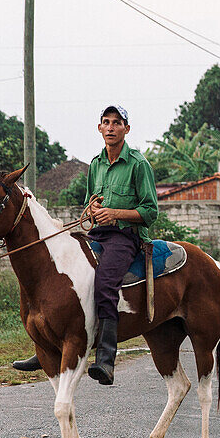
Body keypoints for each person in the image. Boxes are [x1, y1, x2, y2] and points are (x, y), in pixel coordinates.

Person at [12, 105, 159, 385]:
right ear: (100, 128)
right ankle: (47, 345)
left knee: (104, 283)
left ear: (126, 129)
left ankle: (105, 357)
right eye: (106, 122)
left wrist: (115, 214)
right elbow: (89, 203)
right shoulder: (95, 164)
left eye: (117, 123)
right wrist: (92, 208)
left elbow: (150, 211)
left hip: (126, 237)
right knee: (66, 279)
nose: (111, 127)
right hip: (98, 234)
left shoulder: (139, 164)